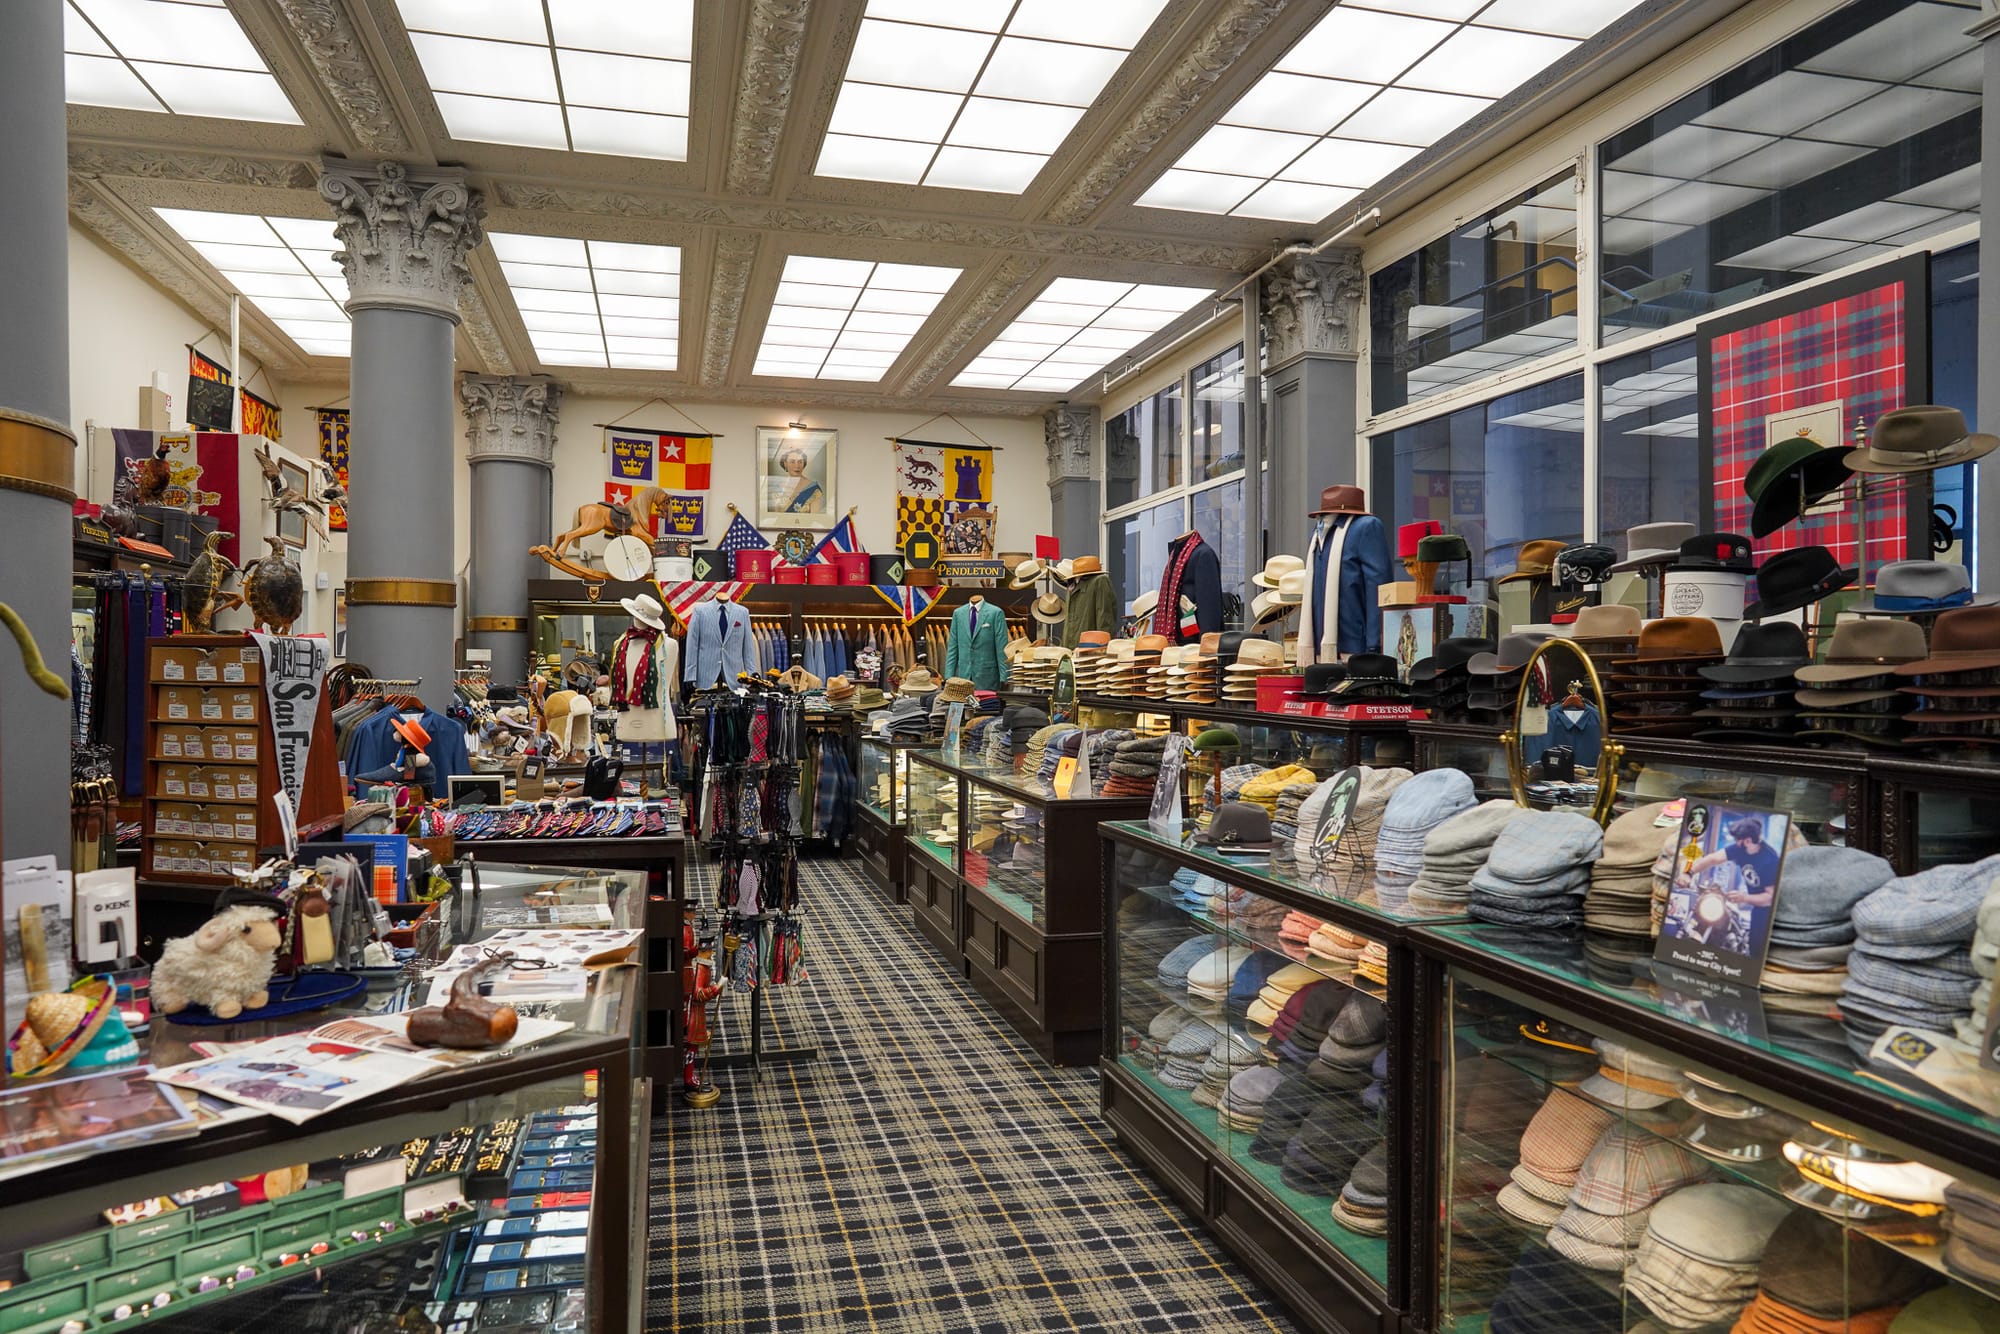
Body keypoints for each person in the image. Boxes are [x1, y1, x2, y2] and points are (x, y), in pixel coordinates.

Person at [1690, 816, 1781, 907]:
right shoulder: (1740, 848)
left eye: (1737, 839)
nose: (1736, 842)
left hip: (1768, 908)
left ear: (1748, 841)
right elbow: (1713, 859)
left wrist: (1744, 898)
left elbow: (1770, 898)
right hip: (1756, 905)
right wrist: (1689, 873)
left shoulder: (1771, 860)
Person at [766, 445, 824, 514]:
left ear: (804, 464)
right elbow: (776, 515)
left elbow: (815, 518)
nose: (797, 466)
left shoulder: (814, 489)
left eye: (800, 462)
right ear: (785, 464)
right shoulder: (777, 487)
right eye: (792, 462)